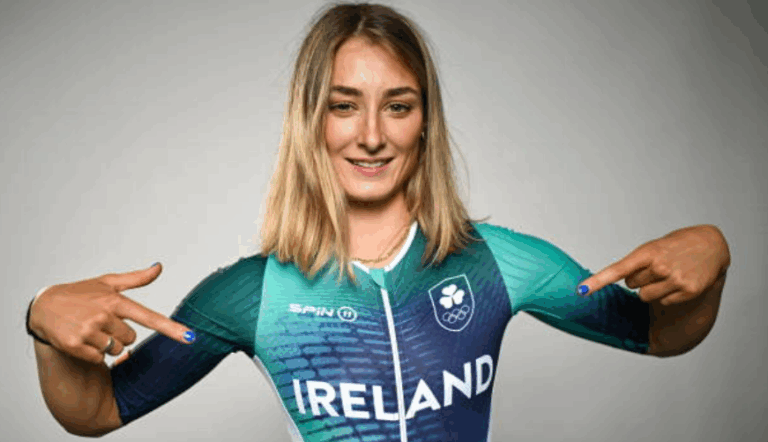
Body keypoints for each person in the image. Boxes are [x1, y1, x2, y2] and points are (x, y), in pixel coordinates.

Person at [27, 2, 731, 441]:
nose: (371, 135)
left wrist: (714, 254)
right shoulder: (252, 294)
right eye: (343, 106)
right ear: (311, 121)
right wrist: (42, 321)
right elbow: (98, 411)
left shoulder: (501, 263)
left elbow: (657, 333)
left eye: (398, 105)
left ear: (425, 123)